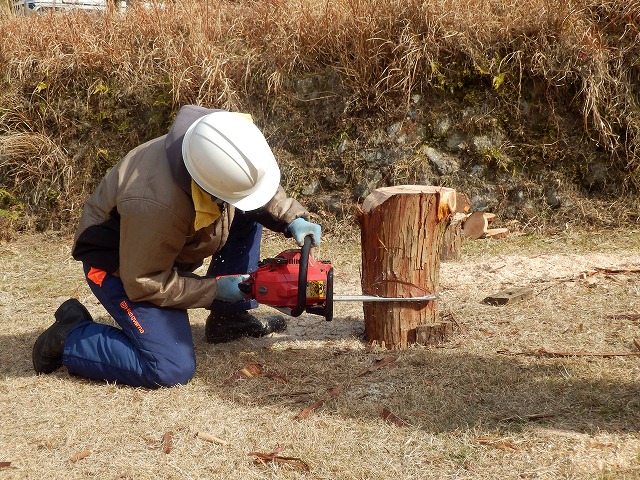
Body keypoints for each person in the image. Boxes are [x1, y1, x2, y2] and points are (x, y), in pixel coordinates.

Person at [32, 105, 321, 389]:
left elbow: (249, 182)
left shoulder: (218, 137)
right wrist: (213, 291)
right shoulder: (154, 204)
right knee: (169, 367)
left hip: (161, 247)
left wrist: (291, 218)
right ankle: (72, 335)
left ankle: (229, 321)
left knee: (248, 210)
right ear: (206, 184)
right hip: (121, 268)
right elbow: (144, 281)